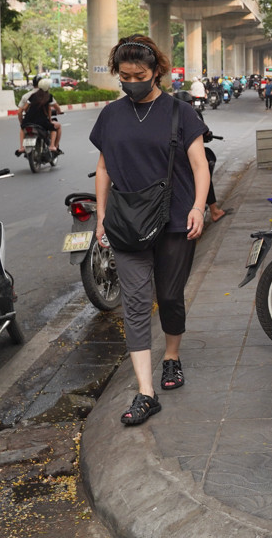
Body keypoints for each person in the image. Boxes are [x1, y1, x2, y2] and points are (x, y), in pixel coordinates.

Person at [90, 35, 210, 426]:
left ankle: (171, 356)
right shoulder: (111, 115)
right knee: (137, 304)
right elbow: (104, 168)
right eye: (124, 76)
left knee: (171, 296)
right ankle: (145, 391)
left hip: (175, 220)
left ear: (156, 70)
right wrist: (100, 216)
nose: (131, 81)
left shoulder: (180, 112)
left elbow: (199, 166)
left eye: (138, 74)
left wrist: (198, 207)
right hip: (127, 223)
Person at [18, 78, 62, 155]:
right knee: (54, 128)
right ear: (48, 87)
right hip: (42, 121)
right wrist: (53, 117)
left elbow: (24, 108)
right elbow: (50, 109)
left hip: (29, 120)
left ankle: (21, 147)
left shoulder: (32, 96)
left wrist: (27, 112)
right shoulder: (49, 96)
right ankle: (52, 146)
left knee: (22, 128)